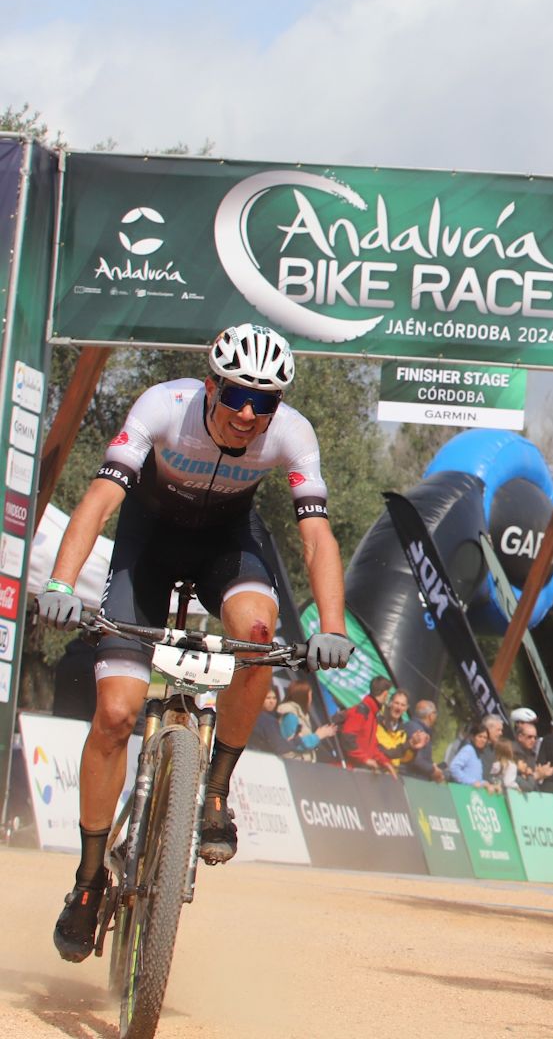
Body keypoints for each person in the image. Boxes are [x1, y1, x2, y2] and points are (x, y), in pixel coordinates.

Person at [38, 323, 354, 964]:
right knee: (118, 714)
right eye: (237, 394)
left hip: (227, 546)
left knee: (260, 638)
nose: (247, 413)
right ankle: (90, 878)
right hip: (147, 546)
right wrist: (61, 582)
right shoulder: (163, 406)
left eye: (264, 402)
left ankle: (213, 790)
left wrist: (333, 625)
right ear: (211, 385)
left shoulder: (292, 434)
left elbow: (316, 537)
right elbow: (100, 499)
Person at [338, 676, 397, 774]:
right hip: (348, 772)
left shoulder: (372, 714)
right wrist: (365, 759)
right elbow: (347, 739)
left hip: (358, 772)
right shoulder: (362, 712)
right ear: (385, 694)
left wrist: (385, 762)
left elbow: (372, 747)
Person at [446, 720, 492, 788]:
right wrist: (470, 782)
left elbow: (476, 779)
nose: (482, 740)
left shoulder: (478, 754)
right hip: (462, 791)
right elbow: (454, 768)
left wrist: (485, 784)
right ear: (473, 737)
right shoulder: (468, 750)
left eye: (485, 738)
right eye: (480, 736)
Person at [374, 687, 411, 763]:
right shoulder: (377, 723)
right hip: (376, 771)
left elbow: (404, 760)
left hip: (392, 772)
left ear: (406, 708)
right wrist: (409, 744)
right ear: (390, 703)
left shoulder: (403, 731)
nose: (398, 707)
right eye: (396, 703)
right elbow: (385, 752)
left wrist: (414, 748)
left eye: (402, 705)